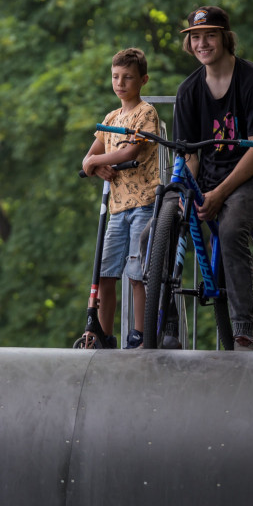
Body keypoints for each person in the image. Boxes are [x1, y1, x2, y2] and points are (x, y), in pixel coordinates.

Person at [174, 6, 253, 351]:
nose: (202, 43)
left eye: (210, 35)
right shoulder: (188, 91)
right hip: (206, 177)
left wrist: (220, 192)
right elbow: (190, 156)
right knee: (151, 236)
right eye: (195, 37)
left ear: (225, 38)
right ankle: (164, 326)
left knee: (233, 229)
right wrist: (184, 188)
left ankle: (243, 331)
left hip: (248, 177)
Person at [82, 48, 160, 349]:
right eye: (116, 77)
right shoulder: (111, 117)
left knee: (137, 273)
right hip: (117, 208)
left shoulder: (145, 113)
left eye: (128, 77)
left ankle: (139, 334)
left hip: (143, 203)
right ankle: (104, 335)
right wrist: (95, 164)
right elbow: (91, 156)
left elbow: (130, 152)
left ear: (143, 80)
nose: (120, 83)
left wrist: (99, 163)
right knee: (105, 274)